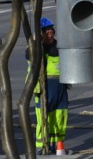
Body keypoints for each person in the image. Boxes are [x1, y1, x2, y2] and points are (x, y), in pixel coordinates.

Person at [28, 17, 69, 153]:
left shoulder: (58, 46)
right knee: (44, 119)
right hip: (44, 88)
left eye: (52, 33)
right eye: (47, 33)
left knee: (59, 117)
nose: (50, 36)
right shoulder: (35, 49)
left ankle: (57, 147)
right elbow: (29, 55)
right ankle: (41, 148)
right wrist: (37, 42)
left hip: (59, 87)